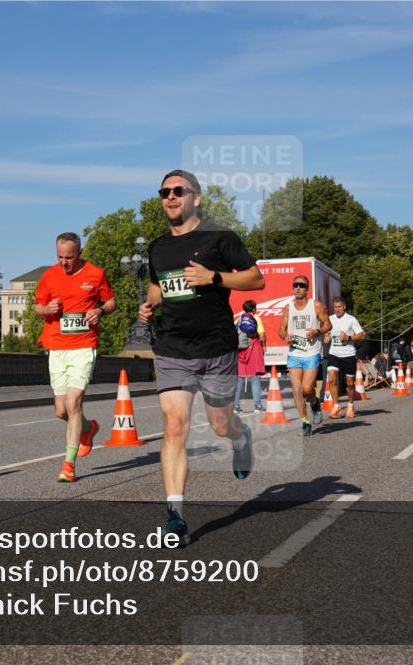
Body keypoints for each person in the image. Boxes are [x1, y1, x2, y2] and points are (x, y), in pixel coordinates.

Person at [138, 169, 264, 545]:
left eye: (178, 191)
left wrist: (215, 278)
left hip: (216, 349)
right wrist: (150, 304)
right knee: (175, 426)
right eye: (164, 192)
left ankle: (242, 441)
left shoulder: (219, 238)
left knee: (222, 425)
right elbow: (158, 283)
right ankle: (175, 515)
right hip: (173, 348)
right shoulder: (158, 246)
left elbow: (255, 279)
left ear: (197, 197)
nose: (170, 197)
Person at [34, 231, 117, 483]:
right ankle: (88, 428)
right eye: (59, 257)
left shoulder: (95, 274)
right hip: (56, 346)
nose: (64, 262)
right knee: (61, 411)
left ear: (79, 253)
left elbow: (112, 301)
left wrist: (100, 310)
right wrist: (46, 309)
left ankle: (68, 465)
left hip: (83, 345)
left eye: (69, 257)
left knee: (73, 404)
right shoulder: (49, 276)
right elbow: (37, 307)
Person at [278, 274, 332, 436]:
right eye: (295, 285)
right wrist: (285, 336)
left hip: (311, 353)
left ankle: (314, 403)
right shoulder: (288, 308)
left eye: (301, 286)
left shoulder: (316, 306)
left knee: (307, 389)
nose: (298, 288)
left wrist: (317, 331)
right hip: (294, 353)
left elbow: (328, 324)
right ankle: (305, 422)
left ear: (307, 289)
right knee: (297, 391)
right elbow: (281, 329)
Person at [324, 297, 365, 418]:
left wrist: (349, 338)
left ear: (344, 307)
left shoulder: (351, 319)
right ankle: (336, 406)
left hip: (348, 354)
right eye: (335, 307)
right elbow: (326, 334)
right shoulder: (330, 319)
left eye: (339, 307)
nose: (337, 309)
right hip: (334, 353)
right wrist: (327, 337)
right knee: (331, 378)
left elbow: (362, 335)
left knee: (350, 383)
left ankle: (351, 404)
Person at [234, 300, 266, 414]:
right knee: (255, 377)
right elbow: (262, 335)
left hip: (241, 350)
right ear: (253, 309)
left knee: (240, 379)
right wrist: (264, 346)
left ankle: (236, 406)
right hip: (254, 348)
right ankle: (257, 406)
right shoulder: (256, 318)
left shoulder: (239, 319)